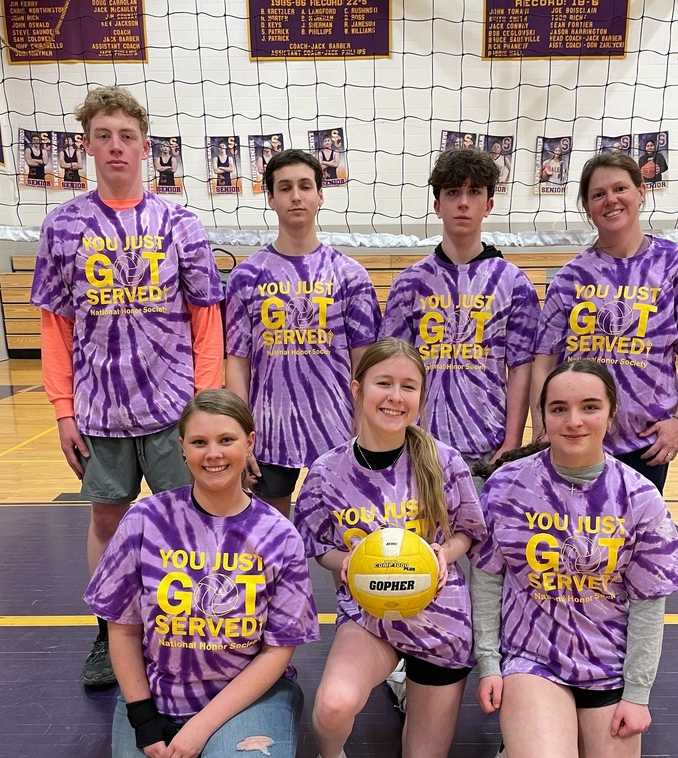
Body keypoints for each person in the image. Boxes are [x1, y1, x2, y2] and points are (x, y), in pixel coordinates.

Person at [30, 86, 225, 691]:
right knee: (109, 520)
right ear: (87, 145)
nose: (116, 146)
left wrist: (208, 404)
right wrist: (64, 411)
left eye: (127, 136)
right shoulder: (62, 225)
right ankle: (106, 628)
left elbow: (206, 318)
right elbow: (56, 327)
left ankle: (187, 624)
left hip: (173, 407)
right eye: (103, 136)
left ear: (146, 146)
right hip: (99, 407)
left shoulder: (179, 223)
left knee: (186, 522)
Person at [84, 390, 319, 758]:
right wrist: (144, 719)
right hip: (162, 696)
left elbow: (278, 651)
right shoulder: (145, 520)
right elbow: (121, 629)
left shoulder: (278, 536)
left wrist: (200, 729)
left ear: (249, 444)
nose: (214, 454)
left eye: (227, 439)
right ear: (182, 447)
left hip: (245, 695)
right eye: (200, 442)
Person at [471, 360, 678, 758]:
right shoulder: (506, 486)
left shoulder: (641, 497)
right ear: (543, 416)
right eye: (559, 408)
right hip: (535, 660)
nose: (574, 421)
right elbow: (487, 579)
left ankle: (565, 735)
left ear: (610, 415)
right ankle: (525, 740)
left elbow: (650, 605)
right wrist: (490, 663)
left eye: (589, 407)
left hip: (605, 663)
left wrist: (637, 694)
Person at [294, 338, 485, 758]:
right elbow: (315, 543)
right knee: (333, 703)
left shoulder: (443, 461)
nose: (395, 396)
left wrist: (445, 553)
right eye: (384, 383)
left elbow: (469, 530)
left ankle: (409, 682)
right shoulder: (326, 473)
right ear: (357, 390)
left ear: (421, 395)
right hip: (371, 619)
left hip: (440, 624)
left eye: (408, 386)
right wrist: (348, 562)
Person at [531, 151, 678, 492]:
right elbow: (544, 360)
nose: (610, 200)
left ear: (640, 191)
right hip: (576, 437)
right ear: (587, 206)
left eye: (620, 188)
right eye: (598, 194)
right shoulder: (571, 277)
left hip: (645, 445)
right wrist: (541, 430)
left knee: (633, 541)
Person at [225, 148, 381, 517]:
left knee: (346, 533)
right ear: (271, 199)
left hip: (338, 428)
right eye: (285, 187)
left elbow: (366, 364)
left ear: (320, 195)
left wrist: (365, 426)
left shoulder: (350, 275)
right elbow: (238, 364)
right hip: (268, 430)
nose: (296, 195)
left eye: (305, 186)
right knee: (271, 535)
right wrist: (240, 434)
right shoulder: (247, 277)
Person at [380, 148, 540, 485]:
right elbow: (391, 367)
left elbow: (521, 367)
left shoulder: (514, 283)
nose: (463, 203)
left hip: (489, 445)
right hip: (420, 445)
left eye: (474, 192)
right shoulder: (410, 283)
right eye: (453, 193)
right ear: (438, 206)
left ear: (489, 205)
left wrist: (512, 442)